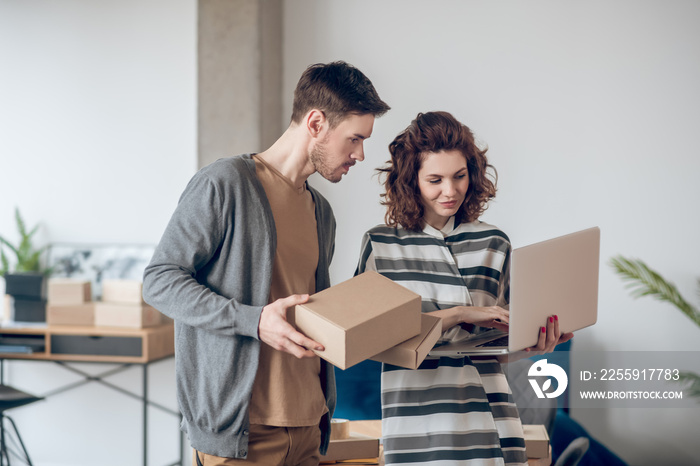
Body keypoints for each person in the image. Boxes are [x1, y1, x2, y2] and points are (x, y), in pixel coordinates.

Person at [142, 61, 389, 466]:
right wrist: (252, 320)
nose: (360, 155)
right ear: (315, 123)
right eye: (354, 139)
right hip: (243, 434)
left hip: (309, 427)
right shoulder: (225, 184)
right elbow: (159, 281)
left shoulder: (320, 211)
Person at [355, 111, 573, 465]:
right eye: (435, 179)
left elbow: (493, 351)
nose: (451, 191)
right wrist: (458, 314)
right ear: (411, 180)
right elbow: (368, 339)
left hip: (490, 422)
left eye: (460, 176)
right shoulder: (380, 245)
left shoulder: (494, 242)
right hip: (414, 425)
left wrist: (532, 346)